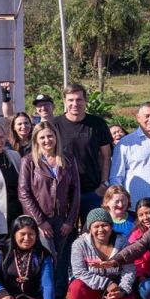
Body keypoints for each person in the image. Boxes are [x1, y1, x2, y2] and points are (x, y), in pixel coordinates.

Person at [17, 120, 80, 299]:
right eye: (42, 137)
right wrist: (40, 221)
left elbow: (75, 192)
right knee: (47, 258)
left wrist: (70, 221)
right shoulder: (29, 161)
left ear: (56, 137)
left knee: (61, 259)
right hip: (39, 221)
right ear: (36, 139)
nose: (47, 140)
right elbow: (24, 192)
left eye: (50, 136)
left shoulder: (67, 159)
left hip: (62, 220)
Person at [69, 208, 138, 299]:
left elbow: (129, 269)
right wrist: (106, 283)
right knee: (76, 286)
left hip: (116, 289)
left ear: (111, 227)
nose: (101, 230)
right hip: (92, 289)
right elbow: (79, 272)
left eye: (105, 225)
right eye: (96, 226)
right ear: (90, 228)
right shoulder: (79, 244)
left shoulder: (122, 242)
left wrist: (122, 290)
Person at [51, 84, 114, 218]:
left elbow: (106, 155)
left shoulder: (97, 124)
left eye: (79, 99)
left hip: (93, 191)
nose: (75, 103)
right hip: (64, 192)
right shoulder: (54, 125)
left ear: (85, 101)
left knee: (95, 232)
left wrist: (104, 184)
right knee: (65, 235)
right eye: (71, 100)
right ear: (64, 102)